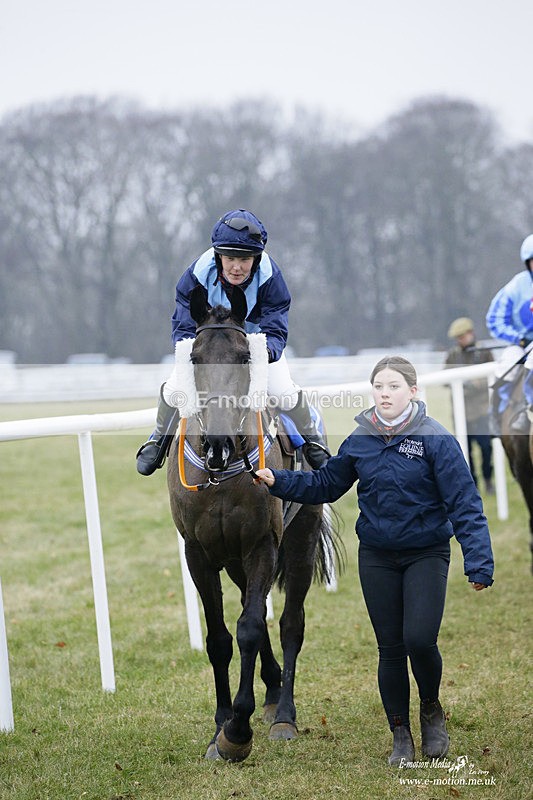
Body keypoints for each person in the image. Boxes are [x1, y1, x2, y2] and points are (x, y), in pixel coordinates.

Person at [255, 356, 494, 766]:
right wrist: (281, 481)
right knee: (390, 648)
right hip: (378, 556)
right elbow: (326, 483)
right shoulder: (361, 439)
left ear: (413, 393)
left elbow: (466, 504)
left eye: (394, 386)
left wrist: (479, 561)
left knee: (420, 640)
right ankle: (400, 733)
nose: (385, 393)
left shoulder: (436, 439)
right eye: (379, 386)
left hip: (426, 553)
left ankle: (432, 711)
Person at [136, 209, 330, 475]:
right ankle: (157, 441)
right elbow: (183, 323)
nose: (236, 267)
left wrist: (265, 352)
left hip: (255, 347)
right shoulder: (195, 276)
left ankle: (312, 442)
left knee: (283, 390)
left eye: (244, 259)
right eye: (229, 258)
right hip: (210, 350)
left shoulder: (271, 277)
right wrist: (194, 351)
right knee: (173, 390)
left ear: (256, 258)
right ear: (218, 256)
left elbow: (275, 324)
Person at [486, 234, 533, 433]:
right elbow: (494, 320)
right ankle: (498, 415)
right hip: (521, 343)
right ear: (527, 263)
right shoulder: (516, 287)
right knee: (505, 369)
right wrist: (517, 337)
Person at [445, 317, 494, 493]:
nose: (460, 340)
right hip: (461, 413)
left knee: (486, 449)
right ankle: (473, 484)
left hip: (481, 411)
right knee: (466, 453)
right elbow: (445, 379)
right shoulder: (452, 355)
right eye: (457, 337)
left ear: (471, 333)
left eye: (462, 336)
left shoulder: (483, 352)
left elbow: (491, 377)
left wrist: (473, 383)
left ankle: (488, 480)